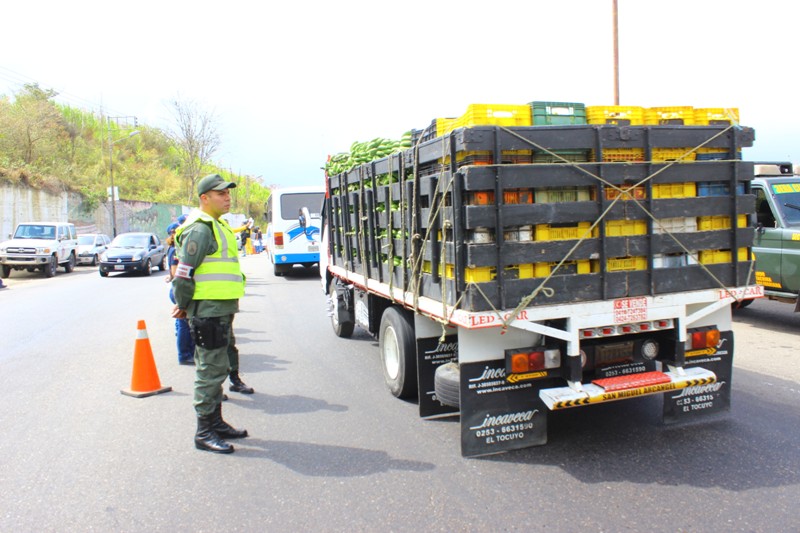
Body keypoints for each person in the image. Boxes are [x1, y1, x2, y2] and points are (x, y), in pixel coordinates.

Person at [172, 174, 250, 454]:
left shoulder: (218, 225)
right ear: (205, 198)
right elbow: (184, 272)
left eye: (228, 193)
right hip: (207, 308)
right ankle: (203, 432)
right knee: (209, 369)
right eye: (221, 194)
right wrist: (183, 304)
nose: (227, 198)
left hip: (221, 306)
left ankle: (216, 422)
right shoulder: (201, 229)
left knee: (218, 367)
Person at [165, 222, 195, 365]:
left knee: (184, 324)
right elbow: (175, 273)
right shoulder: (176, 249)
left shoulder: (179, 247)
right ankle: (184, 355)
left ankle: (188, 352)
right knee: (183, 323)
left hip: (181, 288)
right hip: (180, 289)